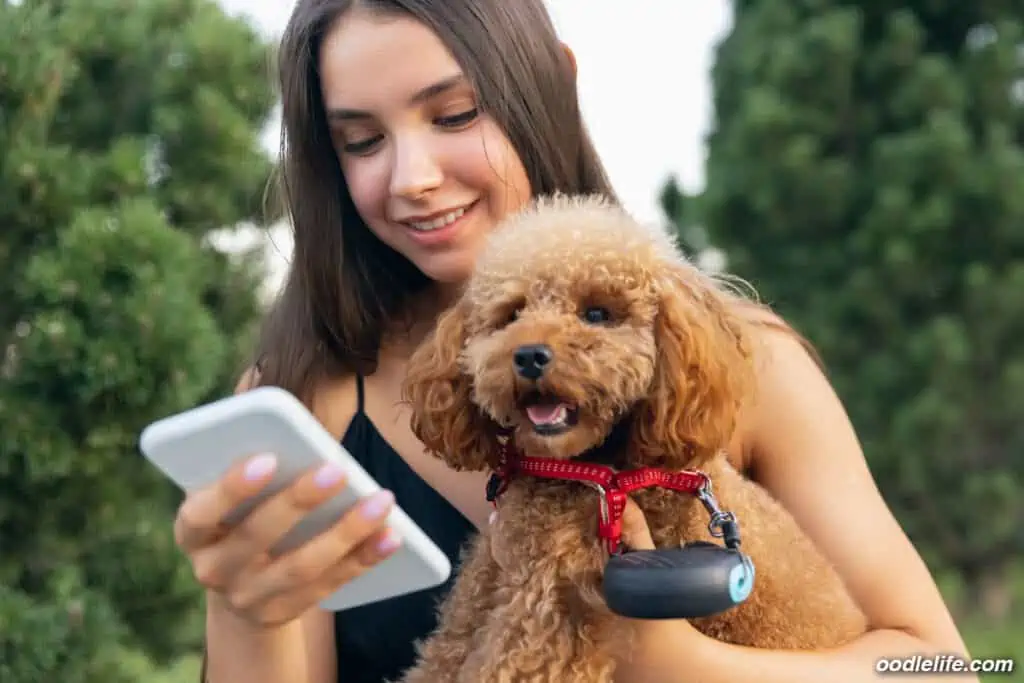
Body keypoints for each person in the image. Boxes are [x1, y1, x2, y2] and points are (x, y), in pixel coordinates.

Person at [175, 1, 977, 681]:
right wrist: (248, 603)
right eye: (362, 140)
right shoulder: (302, 399)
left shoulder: (747, 359)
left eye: (454, 114)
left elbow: (940, 663)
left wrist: (675, 660)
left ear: (553, 78)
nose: (410, 175)